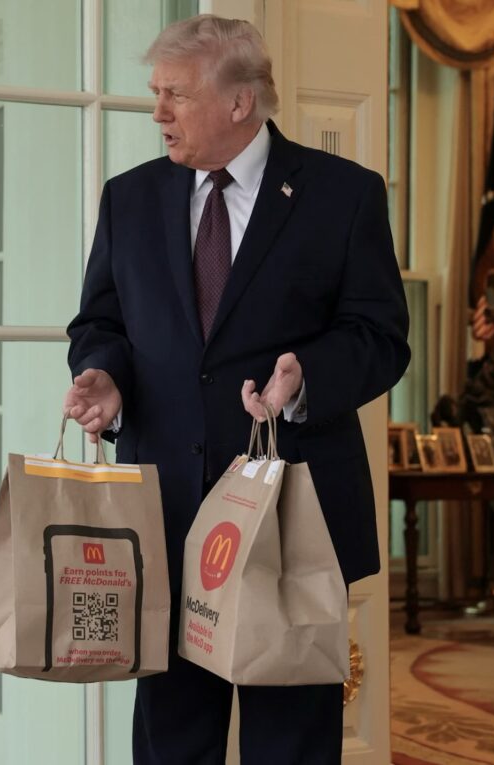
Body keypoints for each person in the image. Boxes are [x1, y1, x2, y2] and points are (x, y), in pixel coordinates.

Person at [63, 16, 409, 764]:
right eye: (156, 93)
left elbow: (380, 336)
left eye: (176, 95)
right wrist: (105, 375)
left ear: (239, 102)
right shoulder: (130, 197)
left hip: (294, 526)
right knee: (171, 745)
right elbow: (99, 321)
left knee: (291, 747)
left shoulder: (344, 195)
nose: (157, 112)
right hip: (167, 519)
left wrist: (306, 376)